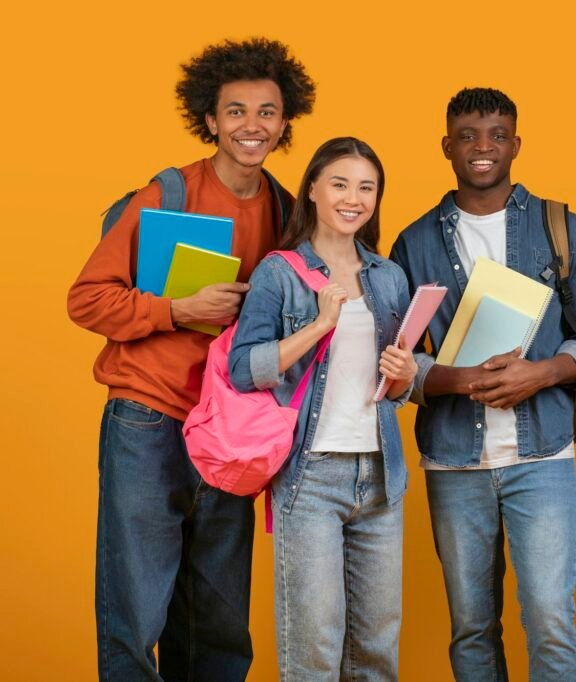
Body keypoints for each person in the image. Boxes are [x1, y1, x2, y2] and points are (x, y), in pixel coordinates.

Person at [66, 37, 315, 681]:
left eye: (266, 112)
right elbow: (87, 299)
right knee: (135, 609)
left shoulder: (289, 212)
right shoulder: (168, 193)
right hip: (146, 419)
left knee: (218, 620)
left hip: (231, 428)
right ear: (210, 118)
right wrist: (179, 309)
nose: (251, 127)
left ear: (285, 123)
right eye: (236, 112)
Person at [390, 87, 576, 681]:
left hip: (544, 455)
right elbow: (396, 361)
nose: (482, 148)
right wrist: (458, 379)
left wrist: (540, 373)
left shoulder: (562, 227)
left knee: (550, 621)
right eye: (467, 136)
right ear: (447, 146)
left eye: (495, 135)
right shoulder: (413, 243)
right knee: (472, 628)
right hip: (454, 462)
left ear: (516, 143)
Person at [229, 136, 414, 680]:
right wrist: (318, 326)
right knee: (313, 649)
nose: (353, 198)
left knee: (377, 650)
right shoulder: (279, 273)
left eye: (366, 187)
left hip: (381, 475)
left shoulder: (388, 276)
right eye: (339, 183)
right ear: (312, 189)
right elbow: (243, 368)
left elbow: (397, 384)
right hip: (310, 478)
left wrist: (404, 378)